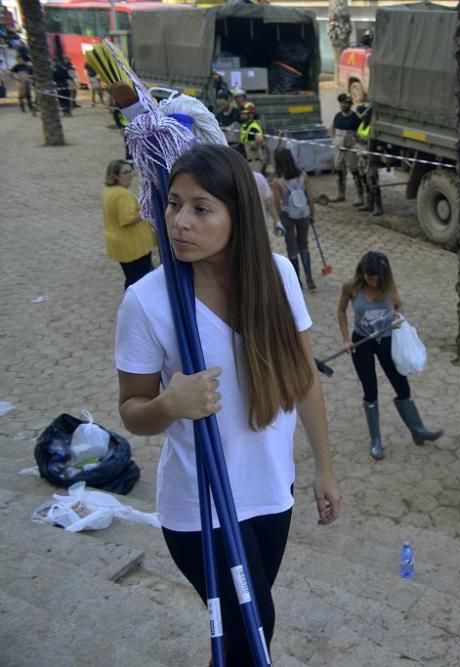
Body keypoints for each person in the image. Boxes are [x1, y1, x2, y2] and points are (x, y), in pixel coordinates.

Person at [115, 144, 342, 664]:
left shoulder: (278, 276)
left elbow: (305, 379)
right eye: (173, 204)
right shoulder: (147, 302)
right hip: (201, 505)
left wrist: (324, 468)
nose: (180, 222)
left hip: (271, 492)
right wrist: (170, 404)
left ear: (236, 214)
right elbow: (132, 408)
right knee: (253, 630)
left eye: (201, 208)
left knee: (252, 632)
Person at [337, 251, 443, 460]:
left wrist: (396, 318)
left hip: (386, 341)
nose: (374, 281)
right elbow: (341, 311)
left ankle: (418, 430)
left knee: (401, 384)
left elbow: (398, 305)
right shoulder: (351, 287)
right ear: (362, 272)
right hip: (362, 342)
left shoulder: (389, 287)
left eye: (377, 277)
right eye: (370, 277)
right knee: (370, 389)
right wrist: (345, 339)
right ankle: (376, 440)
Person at [102, 160, 156, 290]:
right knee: (138, 279)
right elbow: (127, 220)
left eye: (131, 172)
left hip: (121, 244)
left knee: (133, 276)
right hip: (133, 246)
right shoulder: (122, 195)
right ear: (115, 175)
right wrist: (146, 210)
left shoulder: (109, 190)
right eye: (125, 173)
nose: (130, 175)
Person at [272, 148, 317, 290]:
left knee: (291, 247)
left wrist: (278, 219)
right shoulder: (303, 176)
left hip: (287, 216)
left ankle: (297, 280)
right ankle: (310, 278)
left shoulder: (277, 182)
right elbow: (310, 198)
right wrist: (312, 215)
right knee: (304, 245)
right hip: (303, 214)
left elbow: (277, 203)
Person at [330, 93, 363, 204]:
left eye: (346, 103)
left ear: (350, 104)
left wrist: (357, 145)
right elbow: (332, 128)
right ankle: (341, 194)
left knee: (355, 172)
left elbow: (360, 134)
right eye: (342, 103)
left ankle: (360, 197)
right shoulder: (338, 116)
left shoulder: (355, 118)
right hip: (339, 149)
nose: (343, 105)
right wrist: (334, 140)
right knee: (339, 172)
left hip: (350, 149)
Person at [356, 105, 384, 216]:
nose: (361, 118)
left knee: (373, 182)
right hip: (361, 156)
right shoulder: (362, 126)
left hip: (371, 158)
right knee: (364, 180)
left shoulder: (373, 127)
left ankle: (378, 207)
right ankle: (369, 204)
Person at [239, 102, 266, 174]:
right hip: (248, 160)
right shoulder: (245, 126)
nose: (242, 115)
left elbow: (260, 139)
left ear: (250, 115)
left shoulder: (253, 126)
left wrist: (253, 146)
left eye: (244, 114)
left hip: (254, 161)